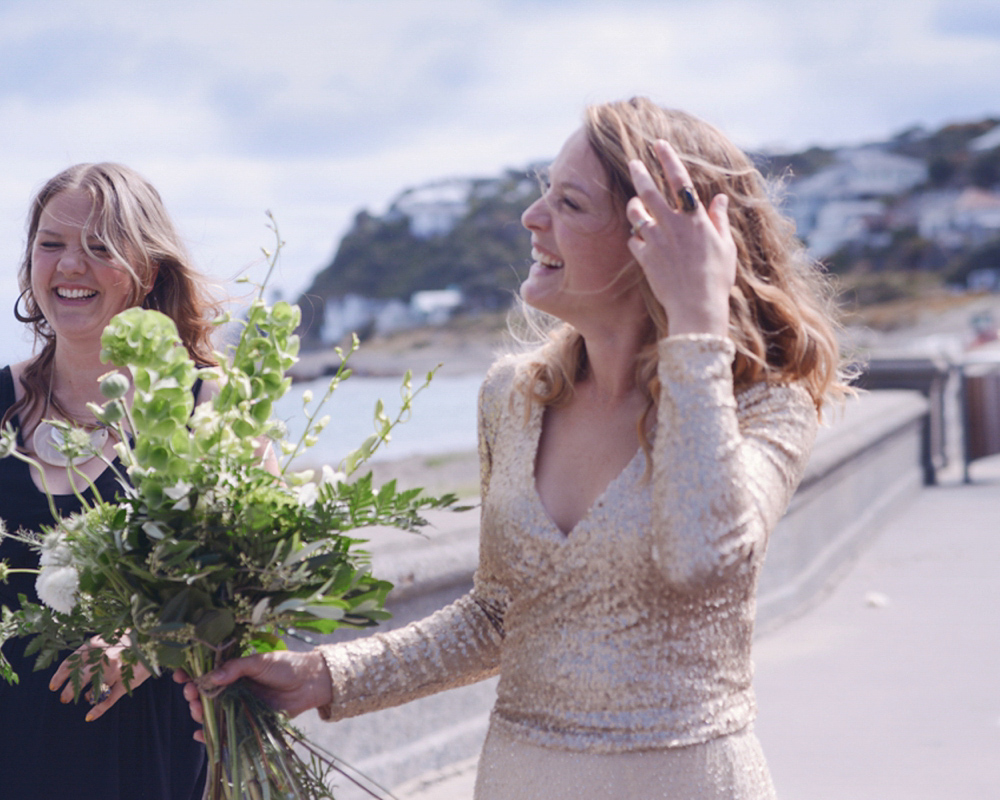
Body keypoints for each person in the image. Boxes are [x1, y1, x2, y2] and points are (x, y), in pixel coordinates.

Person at [177, 97, 848, 799]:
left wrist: (697, 327)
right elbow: (499, 614)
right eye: (541, 194)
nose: (533, 219)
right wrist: (325, 677)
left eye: (570, 203)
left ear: (652, 238)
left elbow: (699, 558)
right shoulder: (515, 398)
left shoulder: (763, 402)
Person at [0, 163, 223, 800]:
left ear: (148, 271)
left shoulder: (203, 405)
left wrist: (144, 641)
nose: (69, 266)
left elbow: (235, 586)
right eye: (51, 244)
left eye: (100, 247)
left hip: (148, 746)